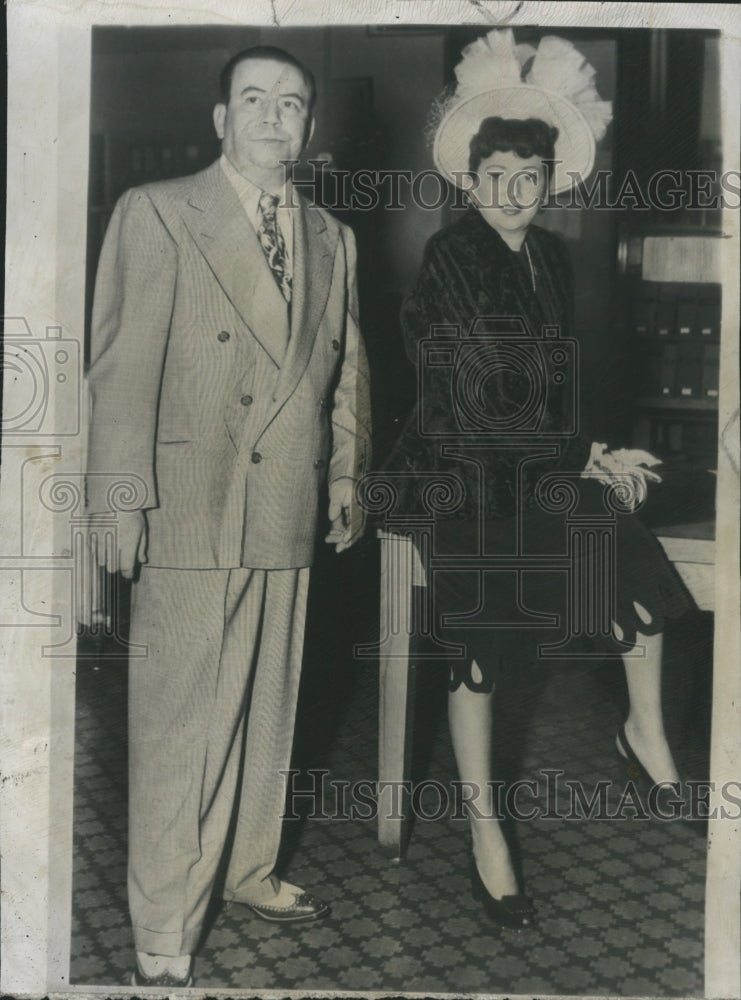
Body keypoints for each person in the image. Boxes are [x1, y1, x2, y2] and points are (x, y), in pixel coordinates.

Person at [384, 30, 693, 929]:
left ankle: (646, 737)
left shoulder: (550, 258)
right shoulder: (451, 258)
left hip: (539, 468)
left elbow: (554, 385)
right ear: (470, 183)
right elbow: (478, 396)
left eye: (529, 179)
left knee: (629, 568)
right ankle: (487, 833)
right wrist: (581, 457)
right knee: (480, 648)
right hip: (460, 474)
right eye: (496, 180)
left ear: (548, 183)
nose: (513, 195)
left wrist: (595, 448)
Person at [83, 45, 371, 986]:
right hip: (188, 505)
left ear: (310, 127)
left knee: (269, 706)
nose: (272, 117)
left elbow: (344, 368)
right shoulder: (159, 212)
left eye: (292, 104)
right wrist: (120, 502)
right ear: (220, 120)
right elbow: (120, 371)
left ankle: (244, 869)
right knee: (178, 727)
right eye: (253, 100)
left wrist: (344, 475)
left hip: (286, 502)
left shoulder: (332, 235)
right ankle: (164, 925)